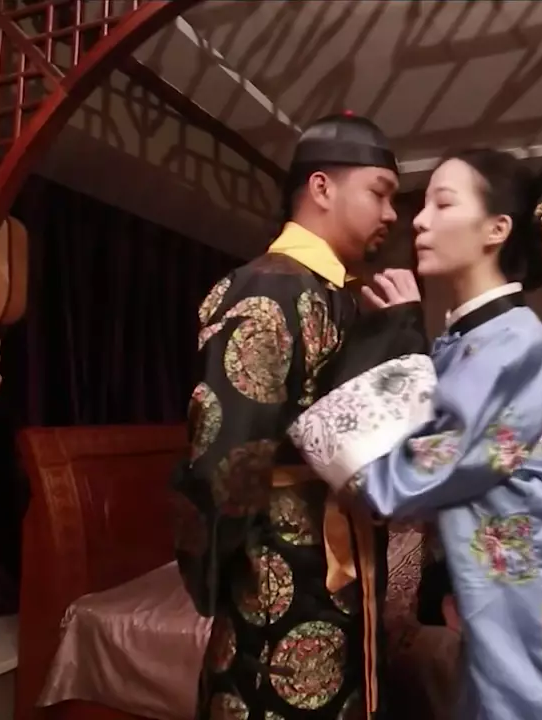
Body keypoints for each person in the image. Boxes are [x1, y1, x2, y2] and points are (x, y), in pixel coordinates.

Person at [286, 146, 542, 720]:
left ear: (497, 229)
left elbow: (401, 481)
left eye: (443, 204)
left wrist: (312, 431)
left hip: (539, 629)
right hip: (505, 612)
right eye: (423, 205)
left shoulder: (515, 349)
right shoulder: (473, 341)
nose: (419, 220)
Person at [170, 111, 421, 720]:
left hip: (338, 551)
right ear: (322, 188)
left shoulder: (339, 293)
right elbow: (224, 455)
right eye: (380, 193)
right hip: (276, 564)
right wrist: (219, 570)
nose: (392, 213)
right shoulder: (266, 287)